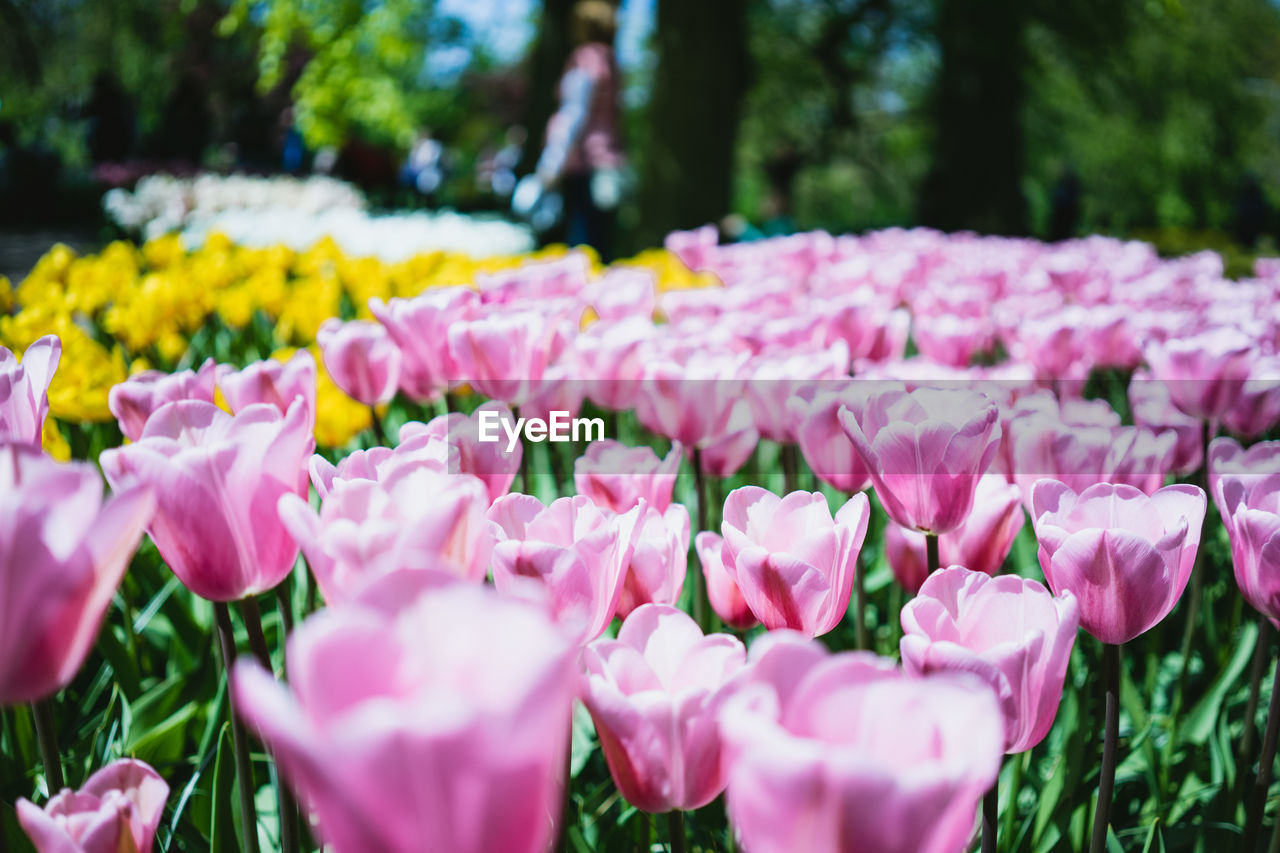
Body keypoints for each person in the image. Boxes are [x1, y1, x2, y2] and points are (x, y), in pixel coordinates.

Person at [534, 0, 625, 260]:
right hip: (609, 159)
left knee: (581, 243)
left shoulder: (585, 60)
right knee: (602, 242)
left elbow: (575, 113)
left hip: (582, 161)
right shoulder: (611, 61)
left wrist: (551, 163)